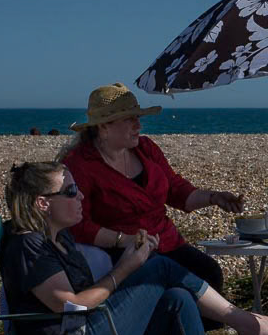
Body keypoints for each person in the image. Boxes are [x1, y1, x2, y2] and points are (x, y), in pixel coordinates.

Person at [0, 162, 268, 335]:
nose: (81, 198)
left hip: (83, 330)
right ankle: (244, 323)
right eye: (71, 191)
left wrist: (127, 256)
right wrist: (125, 268)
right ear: (42, 203)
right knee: (160, 267)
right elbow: (69, 305)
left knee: (177, 298)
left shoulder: (59, 238)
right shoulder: (29, 247)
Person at [60, 84, 244, 296]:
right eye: (129, 119)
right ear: (104, 127)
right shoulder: (79, 164)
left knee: (209, 272)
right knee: (177, 291)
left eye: (138, 117)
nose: (138, 125)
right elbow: (78, 226)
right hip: (121, 254)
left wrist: (214, 197)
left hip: (167, 243)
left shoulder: (145, 148)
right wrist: (125, 239)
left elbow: (176, 190)